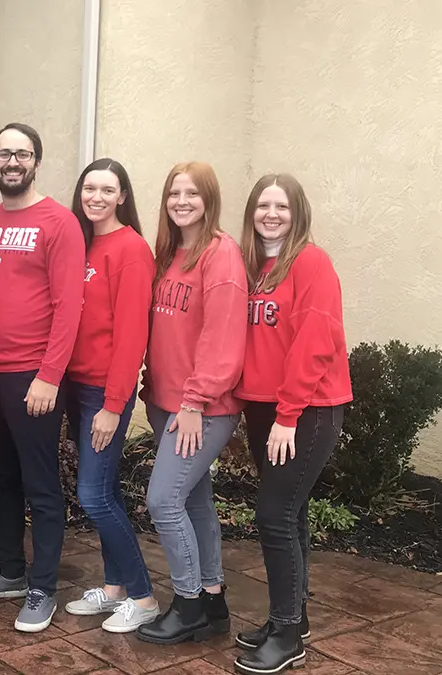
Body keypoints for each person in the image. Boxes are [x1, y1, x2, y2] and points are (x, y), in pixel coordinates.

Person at [0, 123, 85, 633]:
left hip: (35, 377)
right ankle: (10, 570)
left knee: (41, 485)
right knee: (2, 479)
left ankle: (42, 587)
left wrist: (50, 376)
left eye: (22, 153)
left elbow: (67, 305)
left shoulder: (60, 222)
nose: (12, 161)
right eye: (4, 153)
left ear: (36, 160)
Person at [232, 175, 351, 675]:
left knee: (274, 513)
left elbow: (314, 342)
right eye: (263, 205)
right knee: (292, 513)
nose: (271, 213)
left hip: (307, 409)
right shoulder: (253, 265)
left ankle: (287, 634)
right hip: (263, 407)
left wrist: (288, 416)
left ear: (297, 211)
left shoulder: (311, 262)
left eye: (281, 205)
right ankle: (292, 619)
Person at [136, 161, 247, 645]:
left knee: (163, 500)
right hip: (167, 403)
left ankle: (186, 606)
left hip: (202, 408)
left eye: (192, 194)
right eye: (173, 193)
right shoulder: (170, 254)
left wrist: (195, 401)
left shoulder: (220, 255)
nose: (181, 201)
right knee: (196, 502)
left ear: (209, 200)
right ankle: (213, 599)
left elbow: (221, 338)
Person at [62, 159, 160, 633]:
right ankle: (116, 588)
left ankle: (142, 598)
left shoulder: (131, 249)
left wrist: (114, 405)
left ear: (123, 196)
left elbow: (130, 336)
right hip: (75, 385)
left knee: (93, 495)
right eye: (89, 188)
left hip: (104, 390)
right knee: (108, 492)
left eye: (107, 189)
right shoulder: (79, 242)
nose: (96, 196)